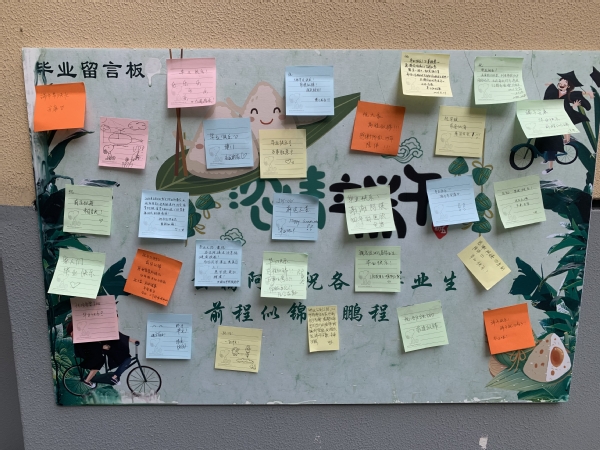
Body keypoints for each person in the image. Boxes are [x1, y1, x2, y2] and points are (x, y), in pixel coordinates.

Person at [538, 71, 592, 175]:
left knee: (552, 144)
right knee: (544, 139)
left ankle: (550, 167)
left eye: (565, 82)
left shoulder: (568, 95)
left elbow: (578, 94)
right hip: (552, 119)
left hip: (562, 119)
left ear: (568, 86)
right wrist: (550, 85)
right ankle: (546, 157)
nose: (561, 83)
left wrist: (587, 94)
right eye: (561, 81)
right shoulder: (554, 92)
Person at [66, 321, 102, 388]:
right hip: (84, 351)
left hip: (86, 349)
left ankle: (88, 378)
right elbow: (82, 342)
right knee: (99, 359)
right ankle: (87, 380)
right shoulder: (74, 333)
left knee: (100, 360)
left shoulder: (79, 332)